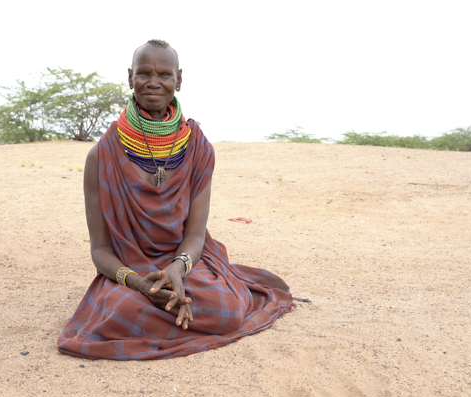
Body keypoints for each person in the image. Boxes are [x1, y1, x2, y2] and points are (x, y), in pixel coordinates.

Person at [58, 39, 299, 360]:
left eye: (164, 74)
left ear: (179, 80)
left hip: (186, 261)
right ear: (130, 77)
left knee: (225, 310)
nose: (154, 82)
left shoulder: (198, 148)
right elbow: (100, 251)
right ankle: (158, 308)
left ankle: (171, 310)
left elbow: (195, 235)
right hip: (130, 270)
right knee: (119, 312)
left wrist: (177, 269)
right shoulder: (101, 156)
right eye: (144, 73)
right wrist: (141, 285)